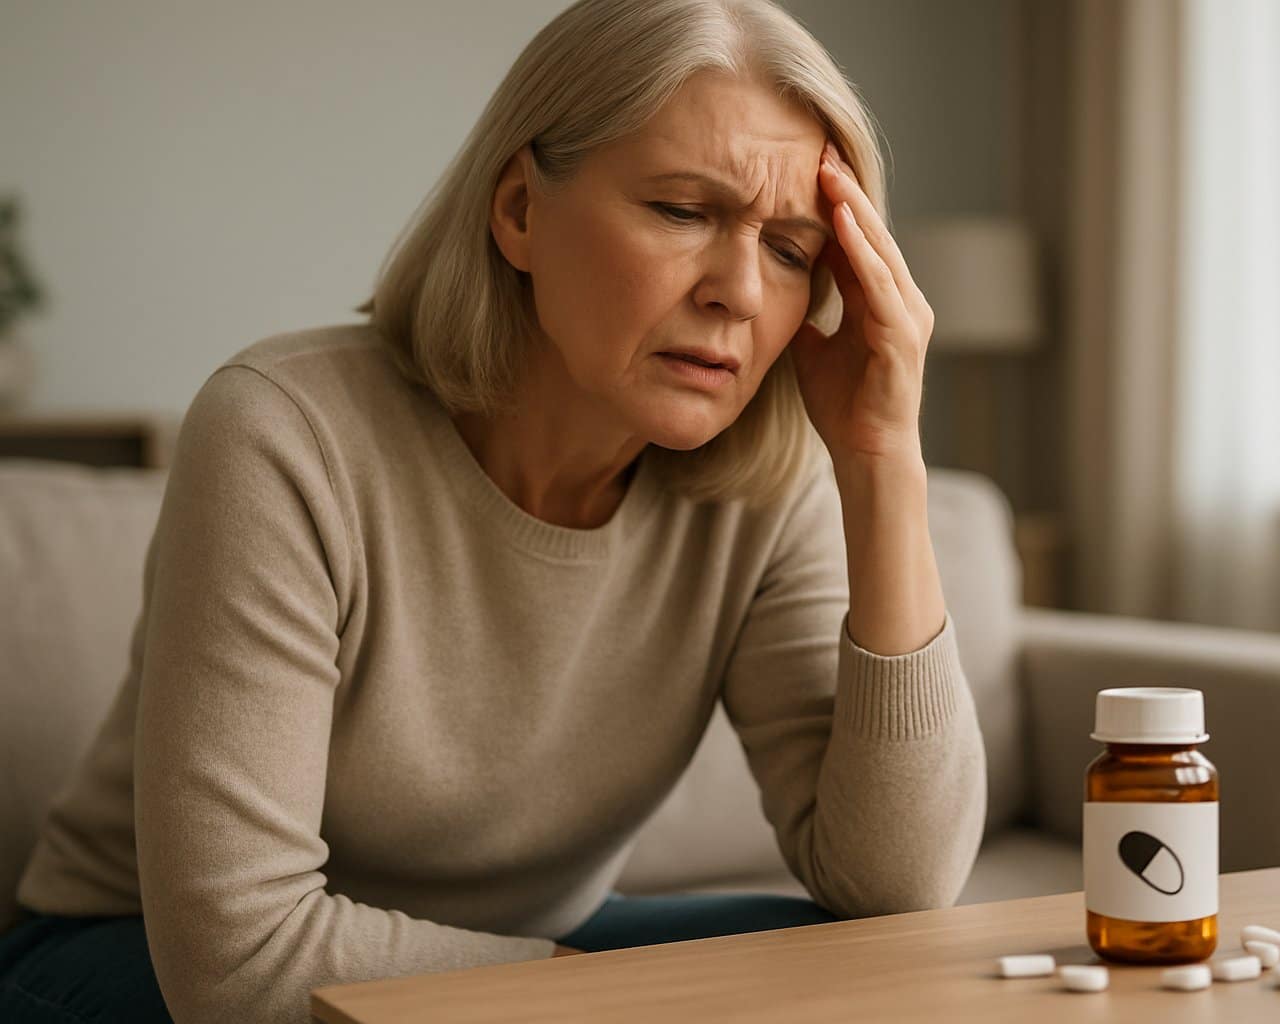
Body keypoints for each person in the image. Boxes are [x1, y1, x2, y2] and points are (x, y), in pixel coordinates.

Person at [0, 0, 986, 1020]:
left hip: (511, 952)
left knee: (869, 963)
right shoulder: (284, 433)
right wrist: (616, 998)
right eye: (685, 211)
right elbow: (237, 960)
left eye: (790, 248)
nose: (740, 290)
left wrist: (881, 461)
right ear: (519, 209)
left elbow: (895, 894)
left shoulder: (761, 491)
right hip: (128, 965)